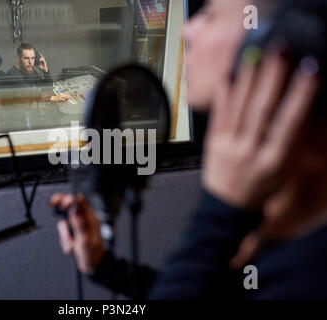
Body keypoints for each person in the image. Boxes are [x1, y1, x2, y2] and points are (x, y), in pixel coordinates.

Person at [50, 0, 327, 299]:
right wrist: (105, 267)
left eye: (209, 15)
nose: (187, 30)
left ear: (284, 44)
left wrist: (219, 214)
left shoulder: (312, 273)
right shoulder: (278, 227)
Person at [6, 43, 70, 103]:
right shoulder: (12, 74)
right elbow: (28, 93)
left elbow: (47, 87)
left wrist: (45, 70)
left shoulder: (30, 71)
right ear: (18, 58)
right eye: (26, 58)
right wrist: (54, 98)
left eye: (33, 58)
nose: (30, 62)